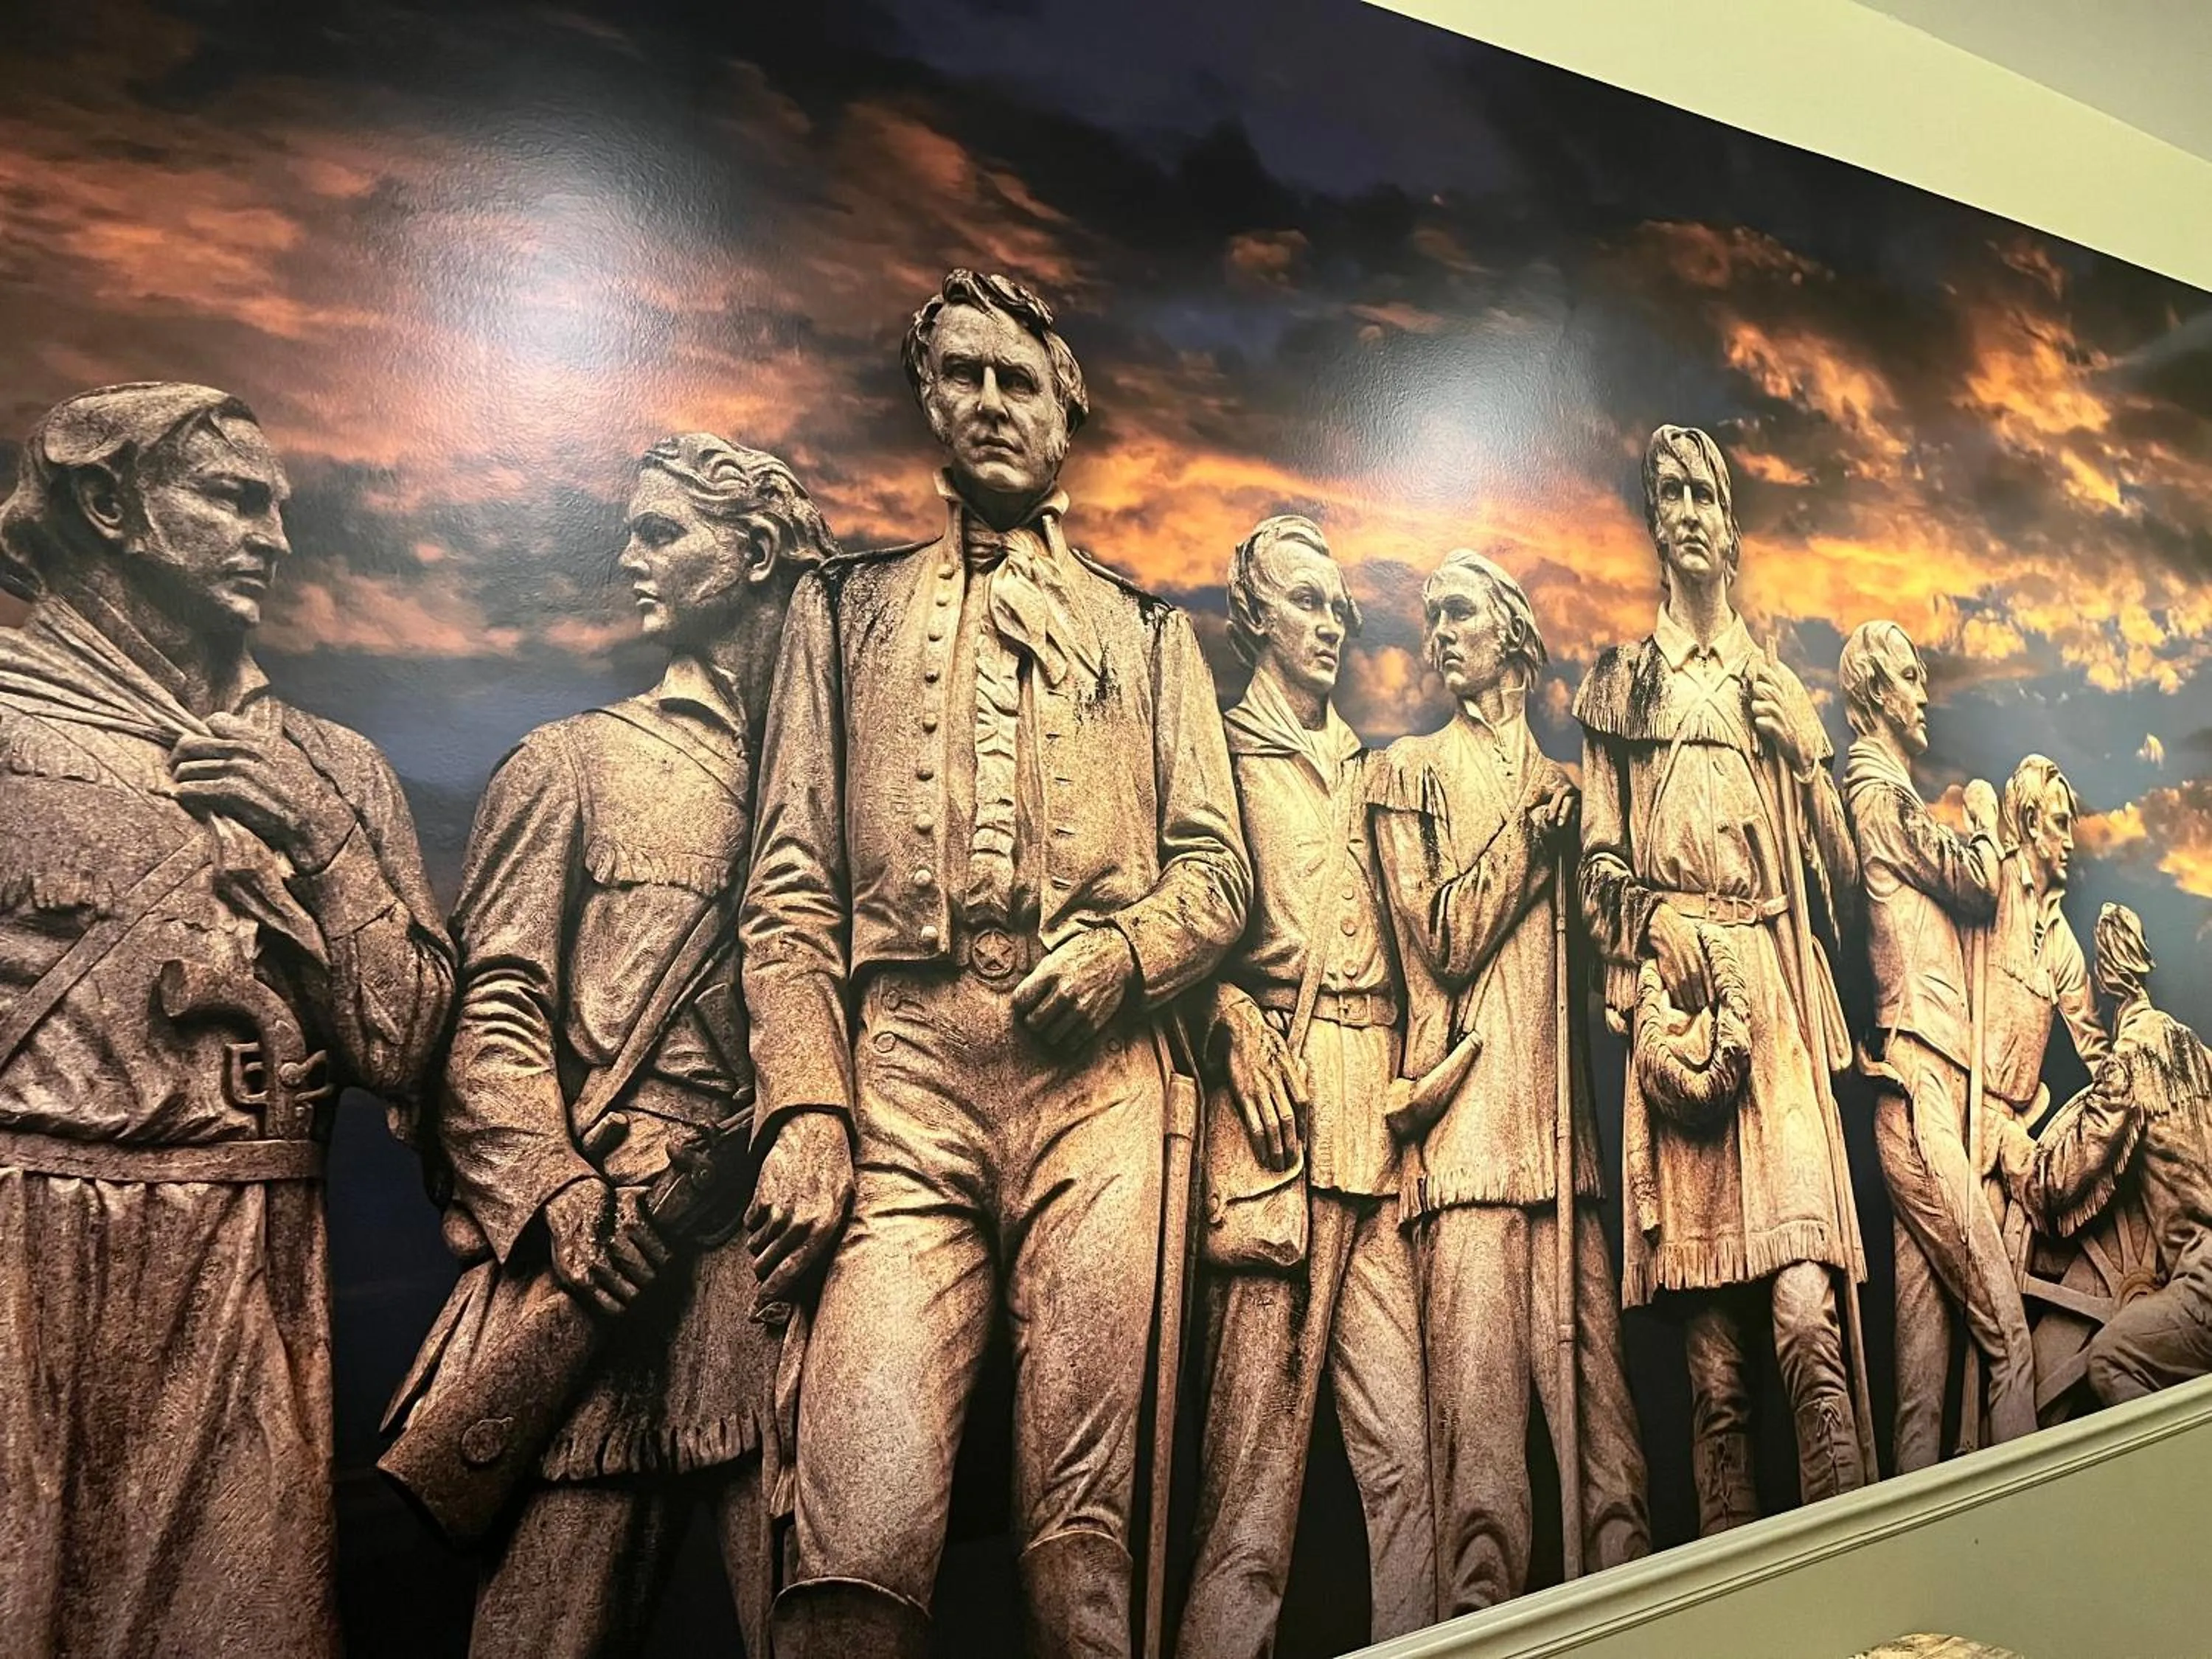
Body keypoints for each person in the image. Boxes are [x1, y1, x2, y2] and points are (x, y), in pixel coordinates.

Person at [740, 269, 1249, 1657]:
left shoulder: (1149, 635)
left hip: (1100, 1091)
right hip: (905, 1083)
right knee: (854, 1538)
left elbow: (1218, 878)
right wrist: (806, 1106)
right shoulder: (841, 615)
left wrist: (1125, 955)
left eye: (1017, 380)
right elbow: (787, 896)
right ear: (928, 399)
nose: (988, 403)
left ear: (1064, 413)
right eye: (961, 375)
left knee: (1085, 1542)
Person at [0, 383, 453, 1655]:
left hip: (248, 1255)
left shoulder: (331, 765)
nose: (276, 538)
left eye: (278, 506)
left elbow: (407, 1045)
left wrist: (323, 846)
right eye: (235, 499)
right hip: (22, 1247)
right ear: (109, 504)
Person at [389, 437, 831, 1657]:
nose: (630, 556)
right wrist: (555, 1189)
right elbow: (494, 1010)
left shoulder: (854, 800)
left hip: (787, 1268)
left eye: (662, 531)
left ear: (754, 552)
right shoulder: (574, 763)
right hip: (619, 1252)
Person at [1575, 425, 1869, 1534]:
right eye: (1671, 495)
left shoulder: (1773, 686)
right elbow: (1595, 870)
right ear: (1654, 523)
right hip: (1684, 1012)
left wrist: (1810, 753)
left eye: (1705, 494)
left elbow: (1842, 882)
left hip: (1775, 999)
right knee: (1715, 1378)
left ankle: (1850, 1554)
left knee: (1806, 1323)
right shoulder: (1620, 687)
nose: (1689, 511)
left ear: (1731, 525)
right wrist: (1652, 920)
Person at [1369, 549, 1649, 1610]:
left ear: (1516, 640)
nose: (1439, 634)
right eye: (1431, 617)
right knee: (1482, 1477)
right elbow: (1441, 939)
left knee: (1611, 1461)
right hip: (1469, 1154)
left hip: (1563, 1159)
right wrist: (1531, 846)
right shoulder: (1409, 772)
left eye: (1459, 614)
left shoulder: (1573, 796)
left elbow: (1610, 970)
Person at [1177, 515, 1433, 1658]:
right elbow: (1175, 934)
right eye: (1305, 602)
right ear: (1253, 618)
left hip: (1376, 1116)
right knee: (1252, 1498)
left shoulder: (1372, 772)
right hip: (1273, 1133)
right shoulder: (1218, 757)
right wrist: (1228, 1017)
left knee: (1408, 1466)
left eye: (1338, 606)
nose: (1330, 625)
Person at [1837, 621, 2035, 1468]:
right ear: (1876, 693)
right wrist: (1986, 821)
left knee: (1921, 1390)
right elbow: (1978, 882)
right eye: (1911, 677)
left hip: (1933, 1088)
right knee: (2010, 1337)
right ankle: (2034, 1511)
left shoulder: (1886, 799)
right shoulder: (1879, 800)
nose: (1923, 695)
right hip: (1921, 1087)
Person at [1987, 904, 2212, 1405]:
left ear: (2102, 983)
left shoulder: (2129, 1064)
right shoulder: (2199, 1054)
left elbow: (2057, 1184)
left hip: (2205, 1283)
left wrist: (2011, 1147)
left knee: (2112, 1362)